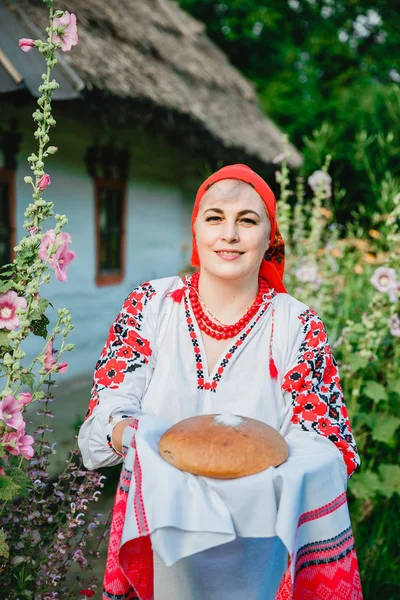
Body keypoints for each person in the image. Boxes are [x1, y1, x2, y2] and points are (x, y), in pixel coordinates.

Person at [78, 164, 361, 600]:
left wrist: (249, 476)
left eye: (247, 221)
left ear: (270, 239)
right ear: (195, 229)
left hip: (259, 549)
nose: (229, 234)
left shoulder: (297, 325)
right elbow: (104, 417)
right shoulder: (150, 306)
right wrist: (132, 435)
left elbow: (328, 446)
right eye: (215, 218)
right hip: (162, 531)